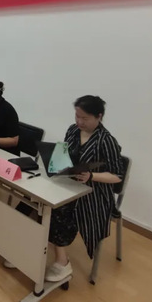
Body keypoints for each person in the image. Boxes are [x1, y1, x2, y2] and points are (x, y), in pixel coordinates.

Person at [44, 95, 124, 282]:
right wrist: (56, 161)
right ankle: (33, 246)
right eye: (77, 116)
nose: (79, 122)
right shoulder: (73, 130)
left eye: (85, 118)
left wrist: (92, 176)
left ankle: (62, 262)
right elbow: (65, 155)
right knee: (39, 200)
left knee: (58, 210)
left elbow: (117, 176)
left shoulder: (106, 140)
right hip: (70, 184)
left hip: (94, 194)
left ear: (99, 116)